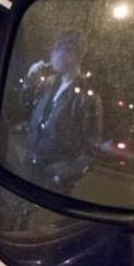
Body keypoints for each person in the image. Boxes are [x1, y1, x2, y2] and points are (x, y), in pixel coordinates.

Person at [19, 30, 102, 193]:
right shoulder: (49, 84)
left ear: (71, 54)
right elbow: (24, 107)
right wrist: (29, 80)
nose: (51, 55)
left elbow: (90, 152)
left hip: (52, 185)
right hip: (30, 170)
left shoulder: (88, 98)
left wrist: (59, 178)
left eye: (56, 49)